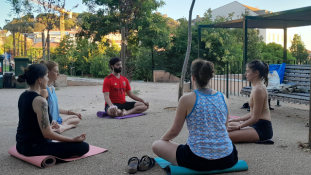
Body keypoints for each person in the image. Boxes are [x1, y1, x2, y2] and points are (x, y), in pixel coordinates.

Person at [152, 59, 238, 171]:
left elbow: (174, 131)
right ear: (211, 77)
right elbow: (225, 128)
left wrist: (163, 140)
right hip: (228, 158)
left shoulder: (186, 99)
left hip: (198, 160)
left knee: (156, 145)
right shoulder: (223, 97)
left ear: (193, 77)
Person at [16, 64, 89, 159]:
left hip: (20, 145)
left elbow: (29, 122)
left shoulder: (23, 95)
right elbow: (47, 134)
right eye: (46, 76)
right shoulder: (40, 100)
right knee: (83, 147)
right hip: (33, 148)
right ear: (39, 79)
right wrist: (71, 139)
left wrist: (50, 125)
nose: (47, 79)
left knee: (57, 135)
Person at [228, 60, 273, 142]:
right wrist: (236, 120)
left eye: (248, 71)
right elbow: (252, 113)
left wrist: (239, 127)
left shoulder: (259, 90)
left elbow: (255, 118)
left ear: (256, 73)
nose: (245, 74)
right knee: (229, 125)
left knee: (225, 136)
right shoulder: (255, 87)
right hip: (255, 124)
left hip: (262, 128)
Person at [40, 61, 82, 133]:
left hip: (57, 118)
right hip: (51, 121)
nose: (58, 74)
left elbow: (54, 107)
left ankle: (62, 125)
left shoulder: (52, 87)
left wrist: (71, 112)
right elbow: (42, 110)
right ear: (48, 72)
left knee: (77, 118)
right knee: (74, 119)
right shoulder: (44, 90)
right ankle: (62, 127)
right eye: (56, 71)